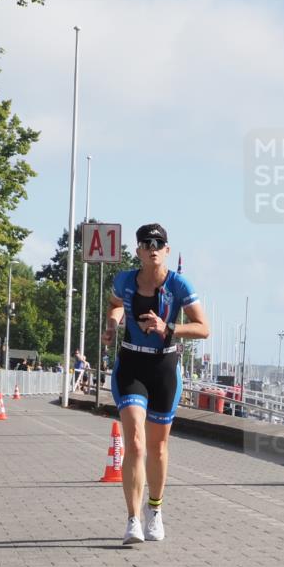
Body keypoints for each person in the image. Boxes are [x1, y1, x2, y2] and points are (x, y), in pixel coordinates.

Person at [104, 223, 209, 544]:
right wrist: (111, 325)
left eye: (158, 243)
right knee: (134, 441)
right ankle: (133, 519)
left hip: (164, 366)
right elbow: (115, 304)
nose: (152, 247)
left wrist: (168, 326)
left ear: (167, 250)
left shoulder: (178, 285)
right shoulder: (124, 280)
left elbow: (204, 328)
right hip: (132, 364)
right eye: (145, 242)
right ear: (137, 250)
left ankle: (155, 509)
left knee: (158, 447)